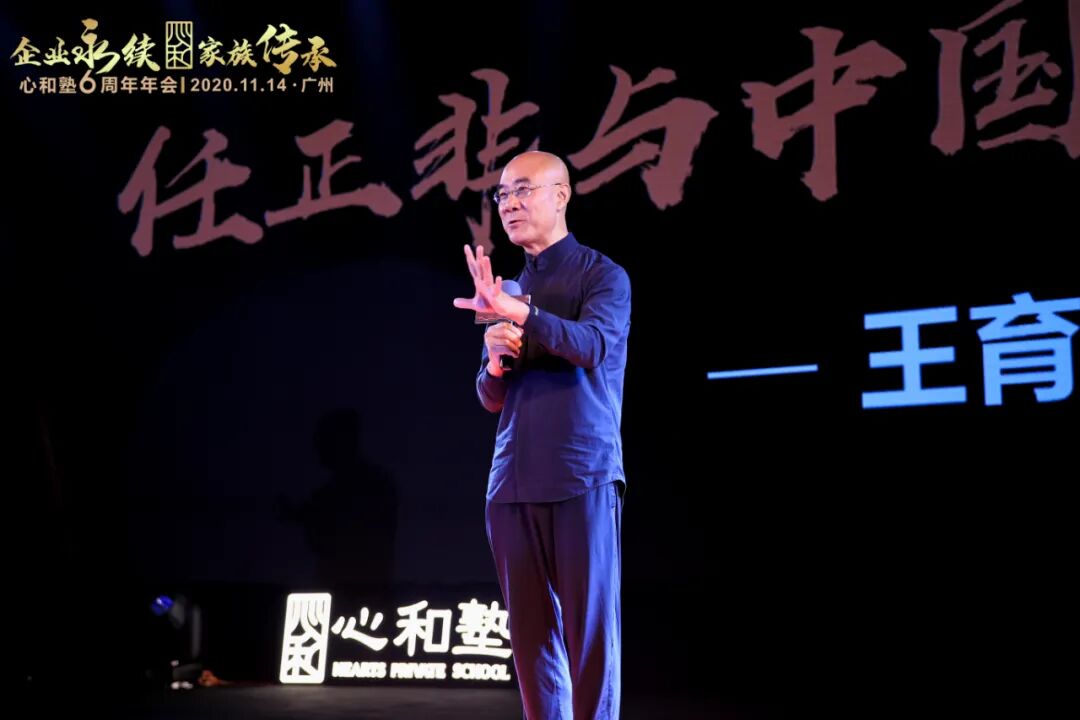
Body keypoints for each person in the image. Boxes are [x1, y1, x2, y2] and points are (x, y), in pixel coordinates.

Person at [453, 151, 631, 719]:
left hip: (582, 473)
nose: (510, 203)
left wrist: (523, 316)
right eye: (503, 194)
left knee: (590, 636)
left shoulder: (602, 275)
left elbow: (592, 346)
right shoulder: (507, 287)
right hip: (512, 481)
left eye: (523, 189)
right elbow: (490, 397)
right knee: (530, 640)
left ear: (561, 195)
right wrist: (494, 360)